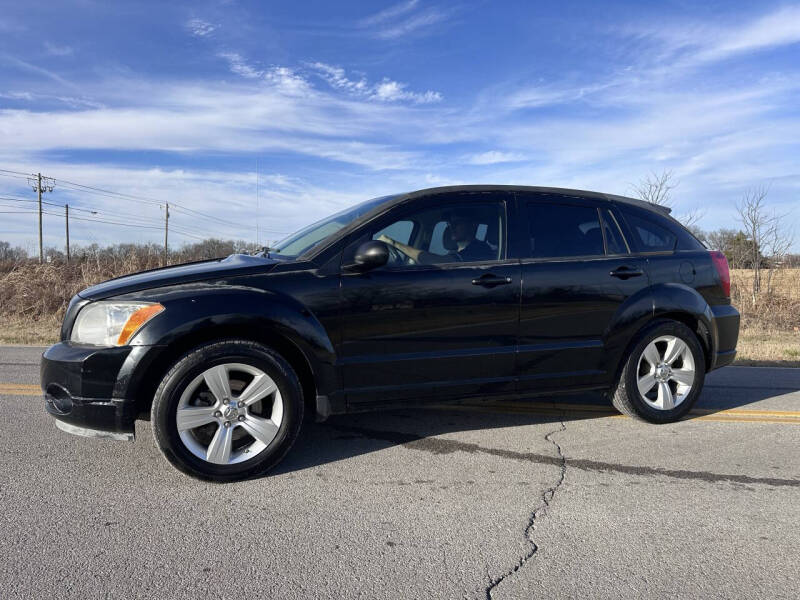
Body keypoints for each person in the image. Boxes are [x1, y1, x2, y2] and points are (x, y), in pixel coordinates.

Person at [377, 210, 494, 264]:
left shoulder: (479, 249)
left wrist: (394, 243)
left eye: (457, 223)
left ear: (472, 225)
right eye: (449, 224)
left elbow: (445, 263)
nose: (451, 227)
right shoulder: (456, 251)